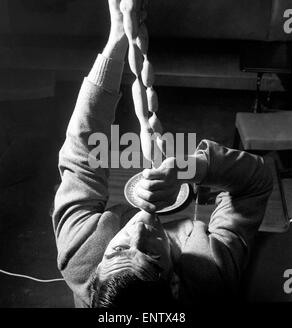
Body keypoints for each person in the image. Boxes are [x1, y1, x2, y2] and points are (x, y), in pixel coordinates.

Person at [52, 0, 273, 308]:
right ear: (175, 283)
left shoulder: (81, 259)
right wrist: (191, 168)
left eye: (118, 251)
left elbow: (80, 154)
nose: (139, 227)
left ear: (97, 273)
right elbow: (256, 182)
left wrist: (118, 36)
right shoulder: (210, 277)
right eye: (152, 255)